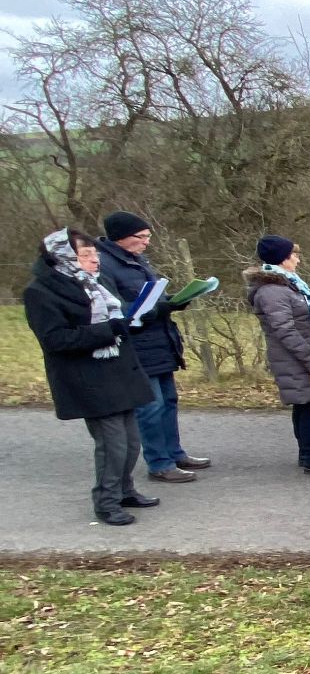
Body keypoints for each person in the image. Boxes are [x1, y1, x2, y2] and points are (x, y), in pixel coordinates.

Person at [24, 228, 159, 525]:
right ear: (64, 257)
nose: (95, 260)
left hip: (119, 372)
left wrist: (141, 316)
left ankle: (125, 491)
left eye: (95, 254)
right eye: (86, 255)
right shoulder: (40, 292)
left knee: (131, 441)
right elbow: (56, 340)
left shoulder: (96, 284)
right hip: (88, 378)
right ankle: (106, 502)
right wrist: (109, 330)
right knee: (113, 445)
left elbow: (121, 317)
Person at [95, 211, 209, 485]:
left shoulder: (136, 260)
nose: (147, 242)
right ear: (123, 237)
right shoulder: (105, 266)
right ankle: (159, 462)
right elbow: (116, 309)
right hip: (137, 345)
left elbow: (151, 295)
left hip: (159, 341)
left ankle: (175, 453)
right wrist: (157, 309)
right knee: (150, 406)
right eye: (142, 237)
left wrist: (174, 300)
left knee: (168, 400)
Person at [245, 236, 310, 476]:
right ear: (282, 258)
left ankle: (309, 451)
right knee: (308, 405)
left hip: (302, 354)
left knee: (308, 404)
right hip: (296, 358)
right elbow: (285, 330)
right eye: (294, 255)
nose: (298, 260)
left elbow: (300, 311)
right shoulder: (272, 291)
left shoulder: (286, 284)